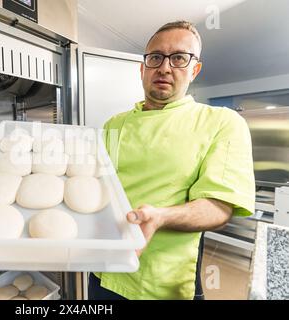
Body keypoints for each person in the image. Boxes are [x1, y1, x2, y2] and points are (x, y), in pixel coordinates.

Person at [89, 20, 255, 300]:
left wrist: (160, 217)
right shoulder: (114, 124)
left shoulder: (221, 122)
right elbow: (96, 186)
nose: (164, 67)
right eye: (155, 57)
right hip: (104, 272)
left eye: (179, 57)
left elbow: (220, 206)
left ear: (194, 70)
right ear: (143, 68)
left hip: (163, 284)